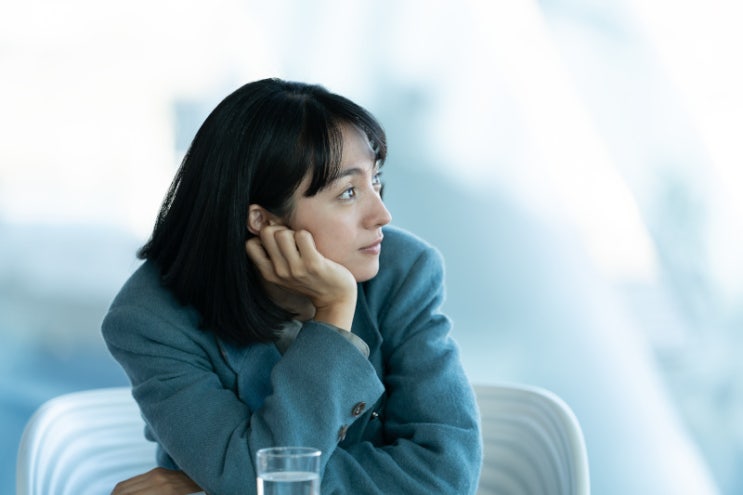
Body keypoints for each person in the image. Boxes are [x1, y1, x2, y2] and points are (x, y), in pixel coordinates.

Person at [102, 77, 482, 495]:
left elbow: (446, 475)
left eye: (375, 181)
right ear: (263, 220)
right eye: (349, 192)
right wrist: (335, 315)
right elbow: (250, 483)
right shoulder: (150, 319)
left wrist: (213, 484)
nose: (382, 215)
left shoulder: (403, 272)